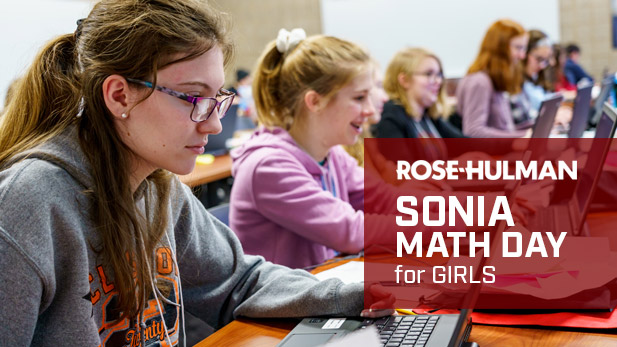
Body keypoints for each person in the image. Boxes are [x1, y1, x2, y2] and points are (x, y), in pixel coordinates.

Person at [0, 2, 392, 346]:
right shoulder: (27, 203)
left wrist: (354, 295)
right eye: (193, 98)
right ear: (120, 95)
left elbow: (239, 282)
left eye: (216, 100)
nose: (214, 125)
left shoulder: (158, 187)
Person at [230, 29, 382, 269]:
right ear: (315, 101)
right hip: (281, 304)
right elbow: (351, 232)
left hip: (320, 291)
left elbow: (382, 197)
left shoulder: (332, 155)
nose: (371, 111)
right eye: (360, 98)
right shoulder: (268, 166)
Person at [456, 19, 529, 138]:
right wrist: (522, 138)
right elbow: (474, 132)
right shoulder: (479, 82)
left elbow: (506, 130)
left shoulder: (495, 79)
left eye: (523, 48)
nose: (522, 55)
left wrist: (533, 131)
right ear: (499, 48)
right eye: (518, 48)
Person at [374, 47, 463, 142]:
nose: (438, 81)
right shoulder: (390, 116)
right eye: (429, 74)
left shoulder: (428, 115)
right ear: (405, 80)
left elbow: (465, 143)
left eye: (439, 75)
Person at [343, 60, 388, 166]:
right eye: (379, 86)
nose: (385, 98)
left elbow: (389, 173)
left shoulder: (365, 137)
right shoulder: (340, 149)